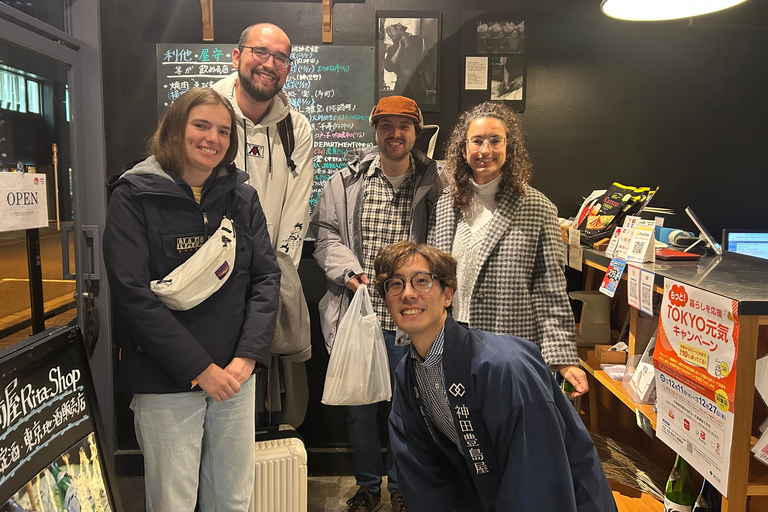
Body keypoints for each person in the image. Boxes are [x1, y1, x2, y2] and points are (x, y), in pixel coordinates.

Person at [103, 88, 281, 512]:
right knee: (173, 502)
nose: (212, 139)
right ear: (174, 128)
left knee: (231, 500)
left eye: (223, 130)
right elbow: (133, 296)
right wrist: (200, 369)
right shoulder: (133, 195)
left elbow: (266, 278)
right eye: (201, 125)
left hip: (236, 378)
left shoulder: (242, 197)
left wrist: (248, 357)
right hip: (165, 380)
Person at [375, 241, 617, 512]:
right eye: (395, 285)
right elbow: (419, 468)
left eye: (422, 281)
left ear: (448, 295)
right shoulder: (408, 374)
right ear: (386, 301)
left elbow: (538, 474)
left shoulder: (505, 365)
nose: (407, 294)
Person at [312, 95, 445, 512]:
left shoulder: (438, 182)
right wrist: (351, 275)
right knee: (360, 409)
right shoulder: (346, 181)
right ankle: (368, 486)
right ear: (375, 130)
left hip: (416, 316)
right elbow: (326, 237)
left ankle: (405, 486)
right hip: (361, 314)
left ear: (415, 132)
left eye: (404, 126)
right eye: (386, 125)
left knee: (413, 407)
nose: (395, 134)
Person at [428, 101, 588, 396]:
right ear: (464, 150)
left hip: (511, 346)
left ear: (508, 148)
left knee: (506, 431)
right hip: (452, 341)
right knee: (461, 428)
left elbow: (549, 288)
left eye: (494, 140)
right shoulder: (446, 204)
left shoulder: (537, 208)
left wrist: (564, 359)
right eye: (476, 141)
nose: (485, 150)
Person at [213, 23, 313, 267]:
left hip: (266, 274)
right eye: (259, 52)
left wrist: (278, 278)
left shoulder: (296, 129)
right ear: (236, 57)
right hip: (205, 273)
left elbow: (296, 211)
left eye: (280, 58)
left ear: (288, 70)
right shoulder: (203, 116)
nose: (269, 65)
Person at [382, 23, 434, 103]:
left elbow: (416, 59)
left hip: (417, 85)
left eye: (390, 30)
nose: (388, 34)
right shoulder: (392, 49)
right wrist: (399, 49)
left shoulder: (417, 40)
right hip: (400, 87)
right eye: (387, 33)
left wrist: (406, 42)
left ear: (399, 27)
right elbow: (389, 66)